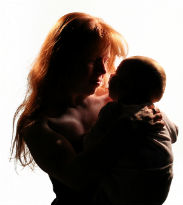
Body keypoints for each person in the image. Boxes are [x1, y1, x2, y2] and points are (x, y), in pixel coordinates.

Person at [11, 12, 164, 205]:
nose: (103, 70)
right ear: (64, 61)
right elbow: (78, 179)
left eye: (105, 59)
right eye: (92, 61)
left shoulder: (115, 96)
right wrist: (123, 131)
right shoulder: (38, 126)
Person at [84, 56, 178, 205]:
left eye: (117, 73)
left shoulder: (113, 111)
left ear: (124, 86)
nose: (110, 75)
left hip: (124, 192)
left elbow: (91, 142)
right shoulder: (157, 113)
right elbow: (174, 134)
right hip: (158, 191)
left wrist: (86, 139)